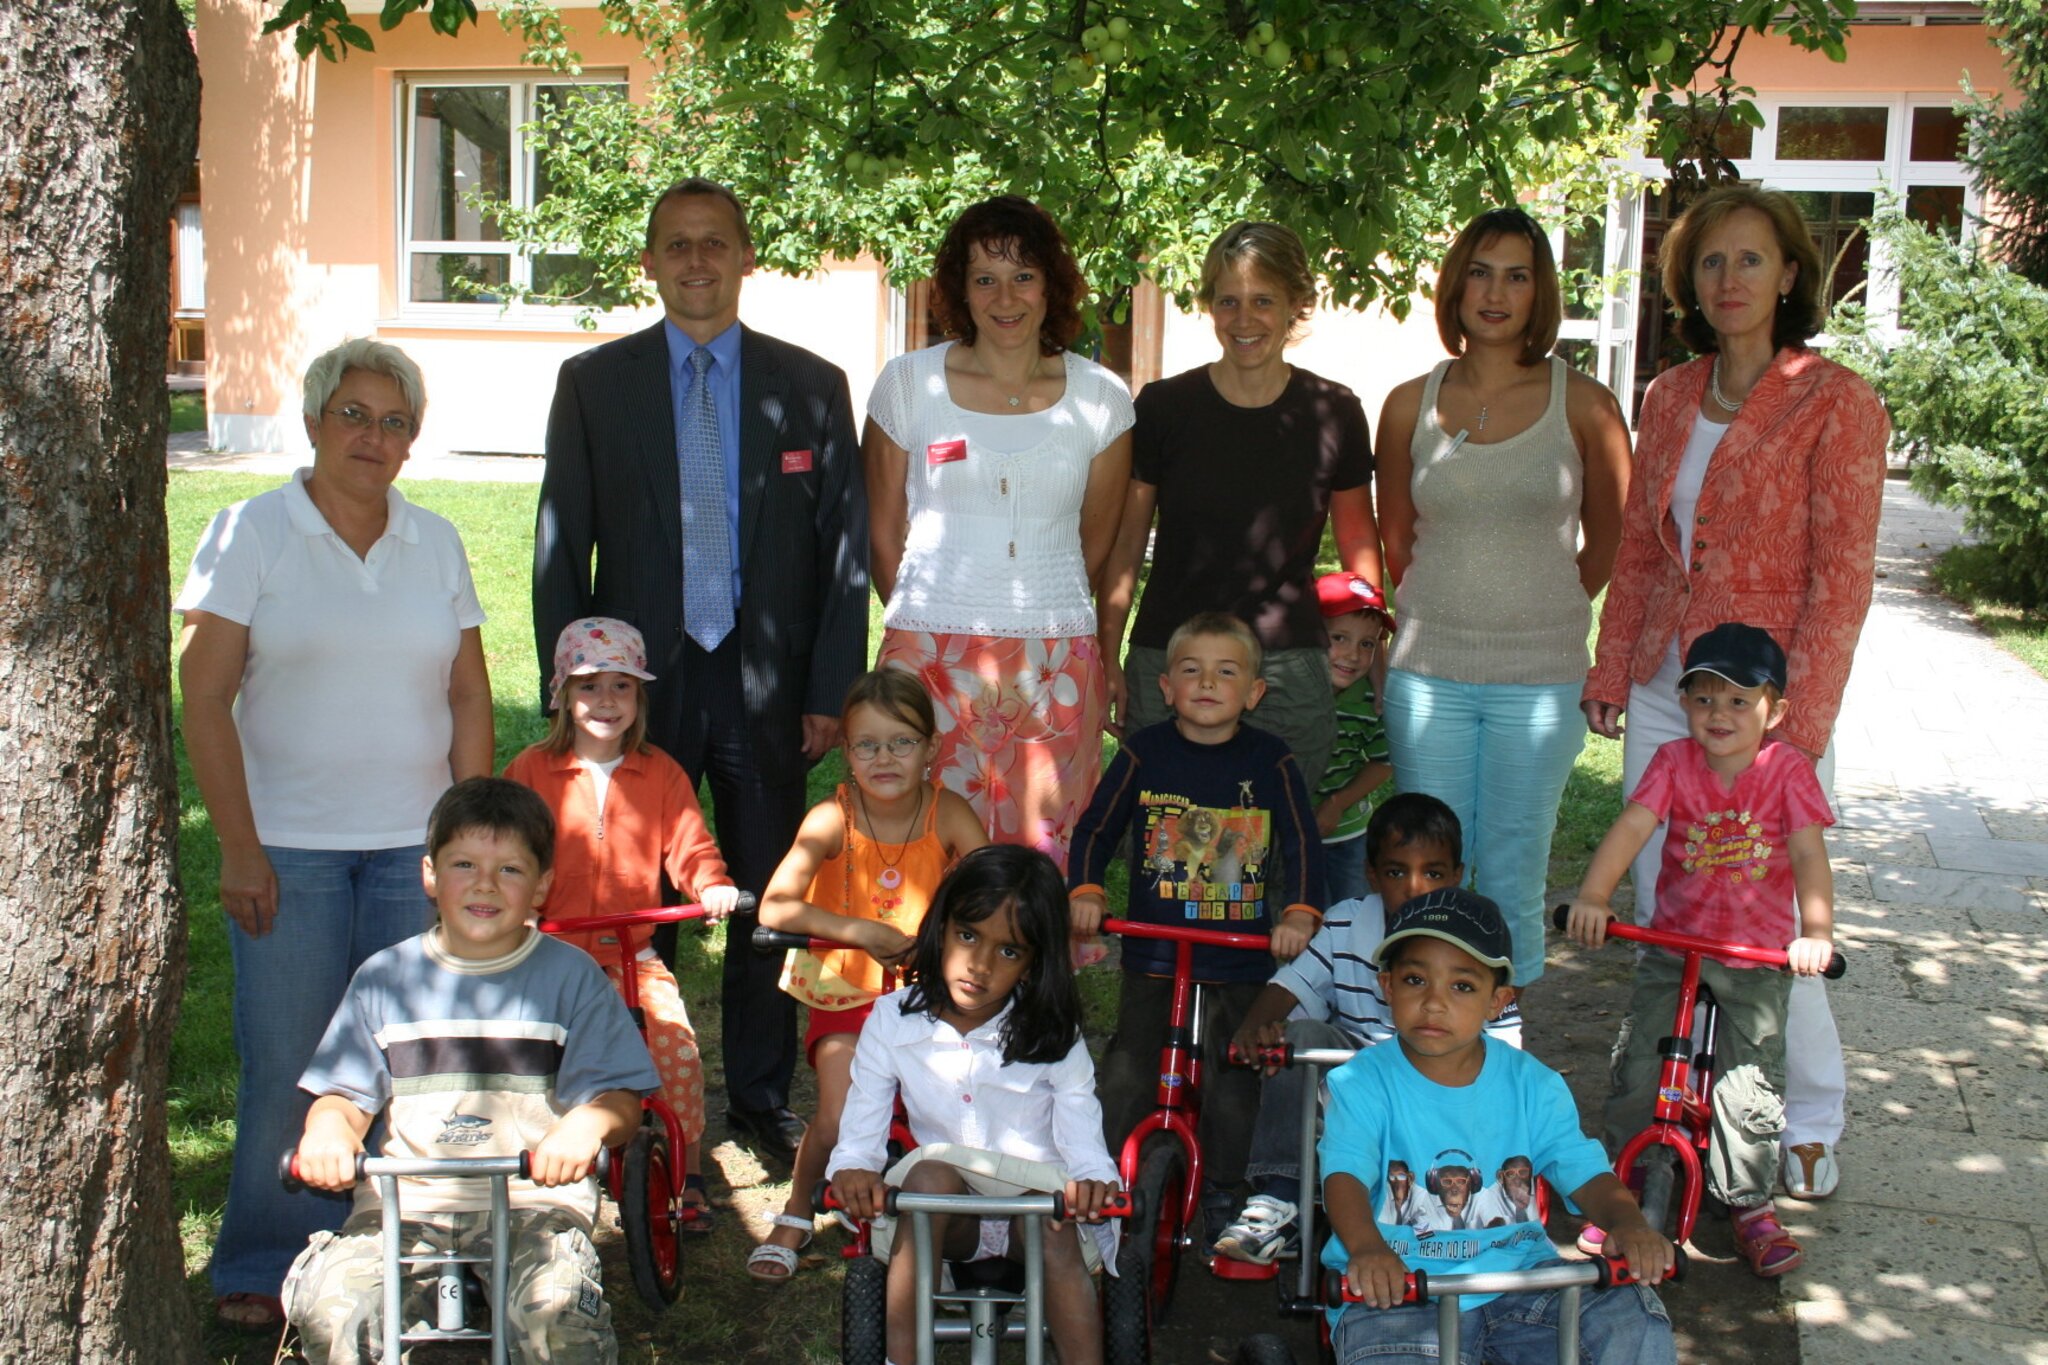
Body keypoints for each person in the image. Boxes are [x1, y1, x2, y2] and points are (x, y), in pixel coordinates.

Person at [534, 177, 868, 1162]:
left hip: (768, 686)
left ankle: (758, 1097)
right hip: (635, 691)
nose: (695, 260)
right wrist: (572, 691)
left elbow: (844, 556)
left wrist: (828, 692)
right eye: (676, 244)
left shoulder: (810, 386)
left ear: (745, 257)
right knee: (631, 898)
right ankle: (634, 1089)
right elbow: (562, 546)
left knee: (766, 894)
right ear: (649, 262)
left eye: (714, 242)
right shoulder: (595, 384)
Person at [177, 338, 493, 1330]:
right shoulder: (250, 531)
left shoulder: (435, 541)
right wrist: (238, 846)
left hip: (413, 852)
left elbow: (468, 693)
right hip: (288, 853)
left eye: (395, 422)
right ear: (313, 421)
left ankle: (391, 1251)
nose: (373, 436)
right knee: (290, 1061)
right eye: (353, 414)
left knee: (408, 1061)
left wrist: (470, 846)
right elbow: (203, 694)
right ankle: (264, 1259)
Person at [1583, 185, 1888, 1202]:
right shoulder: (1669, 395)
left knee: (1768, 921)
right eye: (1710, 261)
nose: (1729, 279)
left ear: (1789, 273)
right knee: (1664, 899)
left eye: (1750, 259)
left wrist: (1799, 728)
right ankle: (1679, 1099)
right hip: (1670, 685)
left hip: (1764, 704)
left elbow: (1841, 579)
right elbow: (1641, 548)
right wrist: (1611, 664)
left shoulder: (1837, 401)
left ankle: (1808, 1116)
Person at [282, 778, 658, 1363]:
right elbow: (343, 1094)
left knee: (558, 1321)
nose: (485, 884)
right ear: (430, 875)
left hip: (532, 1197)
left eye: (510, 869)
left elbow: (620, 1100)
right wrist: (328, 1130)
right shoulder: (385, 978)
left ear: (542, 886)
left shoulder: (571, 977)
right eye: (464, 865)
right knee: (334, 1312)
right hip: (407, 1198)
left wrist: (585, 1127)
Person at [1374, 207, 1632, 990]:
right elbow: (1397, 541)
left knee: (1514, 867)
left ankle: (1506, 1036)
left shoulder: (1585, 405)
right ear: (1456, 287)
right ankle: (1428, 1036)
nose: (1495, 293)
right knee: (1426, 874)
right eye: (1481, 273)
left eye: (1517, 276)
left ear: (1539, 291)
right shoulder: (1407, 403)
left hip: (1540, 680)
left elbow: (1614, 540)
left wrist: (1540, 608)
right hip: (1428, 676)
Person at [865, 195, 1133, 867]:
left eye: (1023, 276)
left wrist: (1036, 614)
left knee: (1042, 848)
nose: (1005, 297)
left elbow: (1095, 543)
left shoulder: (1102, 398)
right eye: (984, 277)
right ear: (960, 288)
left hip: (1054, 656)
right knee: (921, 845)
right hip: (928, 654)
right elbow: (882, 531)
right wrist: (933, 625)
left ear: (1051, 285)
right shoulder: (907, 385)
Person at [1567, 623, 1836, 1277]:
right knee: (1641, 1068)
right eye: (1705, 698)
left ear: (1775, 711)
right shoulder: (1673, 762)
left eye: (1740, 700)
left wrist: (1815, 933)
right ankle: (1622, 1189)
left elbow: (1807, 853)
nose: (1720, 714)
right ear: (1684, 702)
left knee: (1748, 1088)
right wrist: (1595, 896)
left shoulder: (1787, 771)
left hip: (1754, 957)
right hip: (1676, 944)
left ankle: (1749, 1204)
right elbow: (1633, 827)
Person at [1322, 888, 1677, 1364]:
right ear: (1387, 987)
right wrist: (1367, 1249)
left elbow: (1582, 1168)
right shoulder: (1360, 1082)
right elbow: (1343, 1175)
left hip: (1522, 1282)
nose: (1433, 1003)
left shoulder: (1533, 1084)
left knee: (1631, 1317)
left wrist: (1628, 1224)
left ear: (1498, 1000)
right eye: (1414, 980)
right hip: (1398, 1288)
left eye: (1462, 986)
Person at [1067, 611, 1323, 1246]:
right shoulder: (1145, 752)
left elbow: (1302, 842)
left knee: (1235, 1077)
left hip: (1237, 958)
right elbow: (1096, 829)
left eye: (1226, 672)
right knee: (1128, 1070)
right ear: (1166, 687)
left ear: (1254, 692)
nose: (1207, 683)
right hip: (1155, 955)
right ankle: (1105, 1179)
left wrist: (1299, 912)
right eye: (1191, 670)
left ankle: (1225, 1188)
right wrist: (1088, 889)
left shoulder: (1270, 760)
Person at [1101, 220, 1382, 795]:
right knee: (1162, 832)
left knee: (1275, 836)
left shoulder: (1333, 411)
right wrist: (1107, 653)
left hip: (1286, 667)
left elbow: (1358, 545)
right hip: (1170, 659)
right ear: (1209, 305)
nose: (1244, 319)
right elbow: (1127, 544)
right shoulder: (1164, 406)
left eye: (1263, 301)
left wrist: (1368, 650)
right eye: (1228, 301)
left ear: (1296, 303)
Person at [829, 845, 1122, 1365]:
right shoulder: (892, 1019)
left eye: (1009, 951)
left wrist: (1094, 1179)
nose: (980, 965)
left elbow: (1082, 1128)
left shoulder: (1053, 1032)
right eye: (968, 936)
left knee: (1054, 1224)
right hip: (948, 1218)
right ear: (940, 928)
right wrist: (854, 1167)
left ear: (1033, 964)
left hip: (1034, 1214)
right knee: (928, 1177)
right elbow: (863, 1122)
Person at [502, 617, 741, 1231]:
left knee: (674, 1049)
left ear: (639, 698)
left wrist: (710, 883)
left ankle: (684, 1172)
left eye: (622, 686)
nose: (606, 701)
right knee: (532, 1058)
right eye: (589, 686)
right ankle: (541, 1157)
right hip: (549, 954)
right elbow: (506, 848)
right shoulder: (532, 771)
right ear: (562, 694)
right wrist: (517, 901)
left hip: (632, 955)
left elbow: (689, 844)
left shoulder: (658, 771)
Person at [747, 670, 987, 1280]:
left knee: (947, 1112)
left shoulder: (948, 811)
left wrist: (947, 938)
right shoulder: (832, 818)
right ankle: (798, 1208)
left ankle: (948, 1219)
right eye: (867, 745)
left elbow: (993, 890)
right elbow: (775, 907)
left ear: (931, 748)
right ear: (846, 751)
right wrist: (861, 931)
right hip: (847, 991)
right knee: (839, 1114)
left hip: (931, 995)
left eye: (902, 742)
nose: (885, 758)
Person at [1213, 794, 1520, 1266]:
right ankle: (1283, 1195)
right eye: (1396, 872)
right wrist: (1256, 1025)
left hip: (1439, 1087)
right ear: (1372, 875)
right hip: (1355, 1078)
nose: (1415, 888)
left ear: (1457, 875)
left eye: (1433, 874)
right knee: (1300, 1039)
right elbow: (1292, 984)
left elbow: (1506, 1046)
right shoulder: (1346, 923)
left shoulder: (1475, 933)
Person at [1313, 572, 1395, 904]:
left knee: (1353, 915)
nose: (1353, 655)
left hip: (1348, 834)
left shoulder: (1370, 700)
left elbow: (1384, 762)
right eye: (1339, 638)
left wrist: (1337, 804)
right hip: (1287, 836)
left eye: (1367, 644)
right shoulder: (1285, 695)